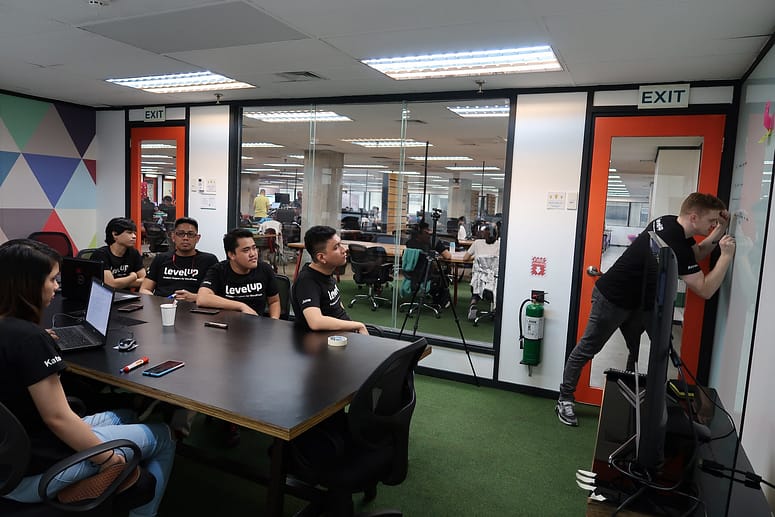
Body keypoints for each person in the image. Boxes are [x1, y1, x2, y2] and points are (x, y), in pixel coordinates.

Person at [0, 239, 175, 517]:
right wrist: (109, 458)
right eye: (52, 279)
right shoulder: (28, 339)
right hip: (34, 471)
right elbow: (58, 418)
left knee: (125, 415)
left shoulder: (15, 332)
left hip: (10, 456)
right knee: (163, 435)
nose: (57, 286)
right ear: (27, 285)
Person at [556, 193, 736, 427]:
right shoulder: (673, 239)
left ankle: (635, 396)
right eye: (712, 220)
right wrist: (726, 256)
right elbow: (705, 289)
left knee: (651, 349)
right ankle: (564, 399)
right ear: (693, 217)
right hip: (612, 298)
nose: (714, 224)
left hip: (641, 301)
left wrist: (720, 229)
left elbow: (697, 253)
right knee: (588, 348)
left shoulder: (672, 223)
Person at [291, 225, 368, 334]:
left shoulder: (326, 272)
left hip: (344, 334)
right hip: (327, 342)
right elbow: (315, 322)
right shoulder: (306, 281)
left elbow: (338, 307)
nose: (344, 250)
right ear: (321, 257)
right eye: (336, 247)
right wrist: (358, 325)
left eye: (340, 244)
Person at [198, 228, 280, 317]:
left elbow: (274, 301)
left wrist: (274, 322)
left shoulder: (265, 269)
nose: (253, 254)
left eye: (254, 248)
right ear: (232, 255)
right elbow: (202, 298)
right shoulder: (219, 270)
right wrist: (241, 306)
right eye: (246, 250)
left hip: (257, 326)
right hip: (227, 325)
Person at [140, 217, 218, 303]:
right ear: (173, 237)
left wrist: (195, 297)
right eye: (181, 234)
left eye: (190, 234)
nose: (185, 238)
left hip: (194, 309)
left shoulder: (209, 260)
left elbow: (217, 294)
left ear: (197, 238)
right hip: (162, 308)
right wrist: (159, 302)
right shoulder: (161, 258)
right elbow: (144, 289)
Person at [405, 221, 453, 308]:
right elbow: (448, 256)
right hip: (427, 276)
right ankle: (441, 301)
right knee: (444, 273)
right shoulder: (433, 241)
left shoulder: (409, 242)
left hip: (411, 275)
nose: (429, 232)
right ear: (424, 232)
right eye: (427, 230)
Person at [93, 217, 146, 290]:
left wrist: (121, 283)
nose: (134, 236)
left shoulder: (133, 253)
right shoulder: (101, 254)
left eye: (134, 233)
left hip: (127, 296)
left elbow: (145, 280)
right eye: (129, 233)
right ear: (115, 234)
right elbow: (111, 285)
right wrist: (132, 277)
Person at [463, 222, 500, 320]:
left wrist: (476, 257)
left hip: (479, 280)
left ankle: (474, 303)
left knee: (477, 286)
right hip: (494, 283)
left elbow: (465, 258)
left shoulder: (477, 243)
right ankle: (496, 309)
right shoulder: (501, 245)